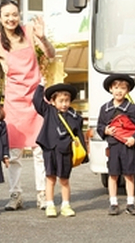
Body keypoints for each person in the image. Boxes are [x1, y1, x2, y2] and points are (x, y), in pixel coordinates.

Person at [0, 0, 56, 210]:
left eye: (14, 14)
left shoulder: (29, 31)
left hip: (36, 98)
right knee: (14, 152)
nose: (11, 19)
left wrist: (43, 38)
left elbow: (51, 55)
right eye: (6, 15)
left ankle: (43, 194)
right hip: (13, 100)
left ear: (20, 15)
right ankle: (15, 195)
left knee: (39, 150)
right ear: (0, 17)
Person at [33, 80, 86, 217]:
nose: (64, 104)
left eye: (67, 101)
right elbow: (37, 101)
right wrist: (40, 86)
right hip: (50, 150)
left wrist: (84, 153)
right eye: (61, 101)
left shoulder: (74, 116)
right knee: (50, 178)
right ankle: (50, 205)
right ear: (53, 101)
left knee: (64, 180)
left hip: (65, 151)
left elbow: (79, 135)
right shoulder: (48, 111)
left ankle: (66, 205)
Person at [97, 74, 135, 216]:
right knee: (113, 174)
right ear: (111, 89)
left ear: (127, 91)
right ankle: (113, 203)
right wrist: (104, 130)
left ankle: (130, 203)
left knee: (129, 174)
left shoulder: (132, 108)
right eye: (116, 87)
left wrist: (134, 138)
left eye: (123, 88)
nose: (119, 91)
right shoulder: (105, 108)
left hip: (128, 146)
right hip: (113, 146)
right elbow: (100, 126)